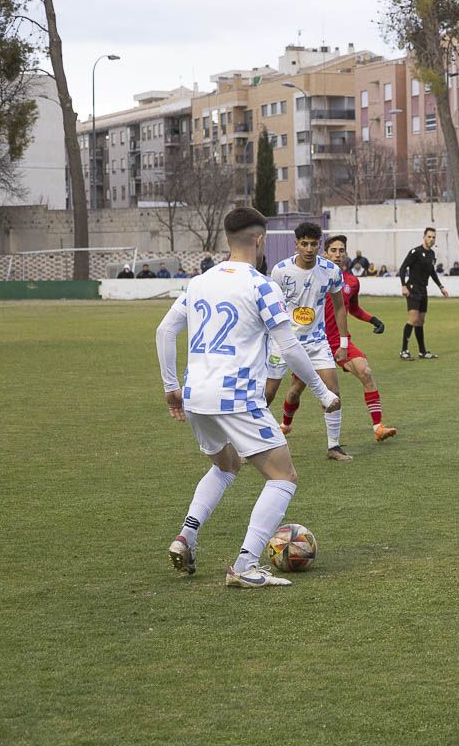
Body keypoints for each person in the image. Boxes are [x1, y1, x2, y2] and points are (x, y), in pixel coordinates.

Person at [156, 206, 340, 588]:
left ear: (227, 239)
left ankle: (185, 536)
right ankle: (244, 565)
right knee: (283, 476)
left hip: (195, 395)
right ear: (260, 241)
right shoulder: (261, 285)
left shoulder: (200, 281)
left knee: (226, 466)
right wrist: (322, 392)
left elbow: (164, 331)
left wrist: (170, 386)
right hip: (236, 395)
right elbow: (289, 347)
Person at [279, 235, 396, 444]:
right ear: (325, 253)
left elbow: (354, 309)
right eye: (333, 250)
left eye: (341, 250)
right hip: (312, 341)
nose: (338, 254)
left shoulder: (351, 281)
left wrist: (373, 320)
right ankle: (286, 424)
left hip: (339, 341)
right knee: (296, 390)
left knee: (366, 372)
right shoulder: (313, 277)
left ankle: (378, 427)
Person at [265, 222, 352, 461]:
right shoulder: (281, 271)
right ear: (296, 244)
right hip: (283, 341)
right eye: (304, 244)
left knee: (333, 392)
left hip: (316, 342)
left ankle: (333, 446)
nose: (309, 248)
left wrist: (343, 344)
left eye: (314, 244)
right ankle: (248, 445)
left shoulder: (331, 271)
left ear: (319, 245)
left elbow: (339, 307)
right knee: (267, 394)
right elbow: (271, 307)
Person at [397, 226, 449, 360]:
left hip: (423, 289)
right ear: (424, 237)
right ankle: (404, 350)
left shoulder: (431, 254)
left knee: (420, 321)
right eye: (429, 237)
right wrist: (403, 286)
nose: (431, 239)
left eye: (433, 237)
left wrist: (440, 286)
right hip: (412, 288)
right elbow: (403, 268)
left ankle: (422, 351)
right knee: (413, 319)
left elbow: (432, 272)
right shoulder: (415, 252)